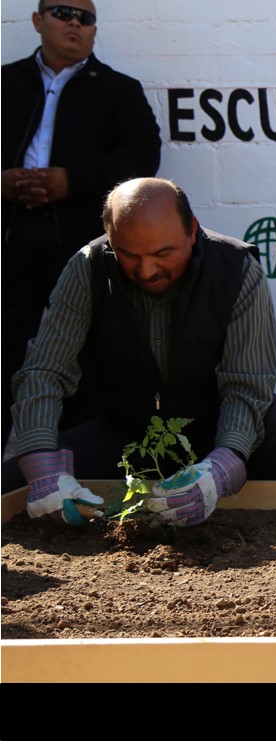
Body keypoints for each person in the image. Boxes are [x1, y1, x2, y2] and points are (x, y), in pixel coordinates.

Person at [3, 178, 276, 527]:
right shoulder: (87, 267)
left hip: (210, 433)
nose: (147, 270)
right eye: (127, 254)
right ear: (110, 237)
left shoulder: (237, 270)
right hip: (124, 437)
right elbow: (44, 370)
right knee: (13, 484)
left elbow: (247, 384)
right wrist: (42, 467)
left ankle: (246, 517)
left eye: (162, 254)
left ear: (192, 231)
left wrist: (223, 466)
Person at [2, 0, 162, 446]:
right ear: (38, 21)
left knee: (85, 361)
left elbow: (142, 157)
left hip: (79, 245)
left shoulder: (118, 90)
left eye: (85, 17)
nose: (75, 23)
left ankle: (78, 473)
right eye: (62, 12)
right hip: (9, 243)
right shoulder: (5, 83)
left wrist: (70, 180)